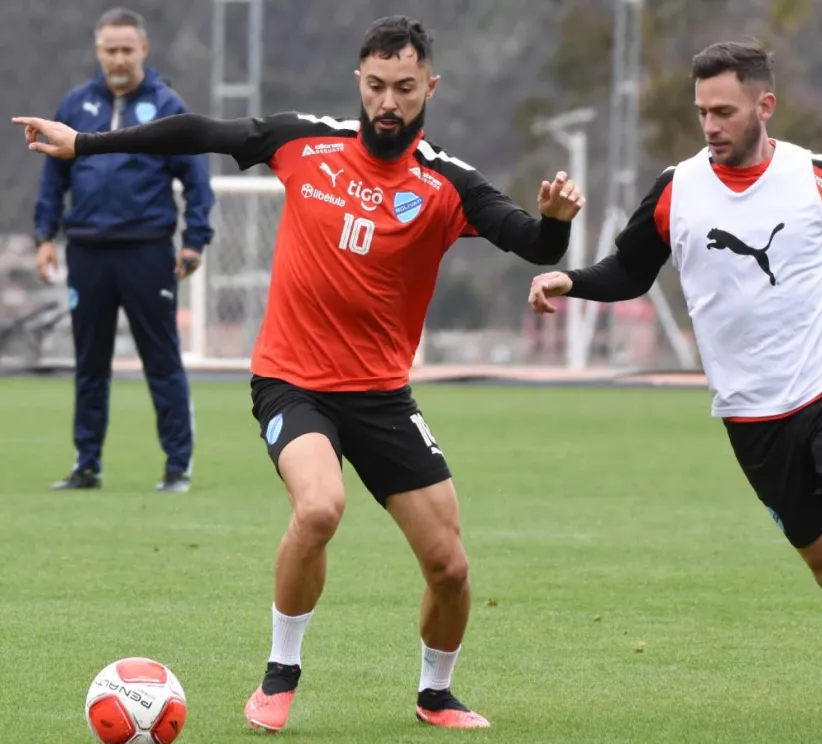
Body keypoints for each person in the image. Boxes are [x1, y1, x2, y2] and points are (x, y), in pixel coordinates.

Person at [15, 14, 584, 733]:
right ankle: (280, 673)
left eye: (404, 88)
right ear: (359, 80)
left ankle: (436, 694)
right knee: (320, 507)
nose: (388, 101)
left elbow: (532, 241)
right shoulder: (303, 141)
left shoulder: (447, 184)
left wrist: (557, 222)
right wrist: (87, 144)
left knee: (451, 567)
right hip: (293, 381)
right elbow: (201, 133)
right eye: (376, 85)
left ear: (429, 86)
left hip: (381, 396)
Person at [527, 40, 822, 735]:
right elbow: (630, 271)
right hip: (752, 414)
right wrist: (572, 281)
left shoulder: (815, 176)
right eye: (702, 111)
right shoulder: (677, 189)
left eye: (725, 111)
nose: (710, 125)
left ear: (765, 106)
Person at [32, 7, 214, 493]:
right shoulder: (74, 106)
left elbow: (197, 181)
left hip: (147, 252)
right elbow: (54, 176)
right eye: (109, 50)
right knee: (90, 363)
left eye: (126, 50)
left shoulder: (168, 105)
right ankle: (86, 464)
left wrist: (195, 240)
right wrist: (45, 237)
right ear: (98, 51)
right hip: (87, 252)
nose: (118, 58)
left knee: (162, 360)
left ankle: (177, 467)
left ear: (143, 51)